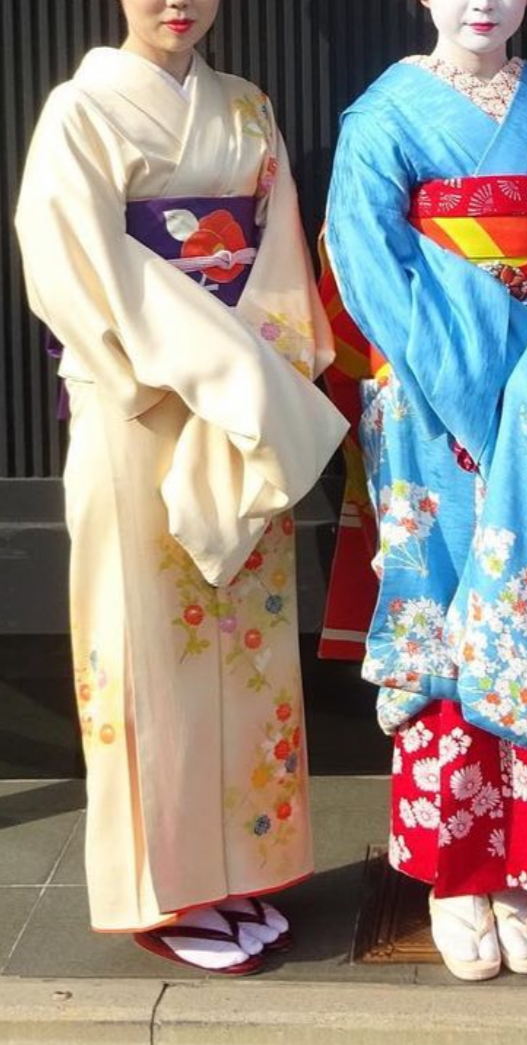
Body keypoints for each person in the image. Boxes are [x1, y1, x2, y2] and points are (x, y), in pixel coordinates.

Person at [323, 0, 527, 981]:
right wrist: (480, 390)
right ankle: (456, 873)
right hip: (433, 420)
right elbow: (367, 259)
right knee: (444, 610)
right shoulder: (381, 117)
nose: (481, 2)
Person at [16, 0, 347, 974]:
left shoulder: (246, 109)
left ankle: (238, 868)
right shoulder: (81, 111)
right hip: (144, 405)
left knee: (243, 652)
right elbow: (75, 265)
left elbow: (279, 259)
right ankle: (162, 889)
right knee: (145, 649)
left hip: (240, 412)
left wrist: (252, 375)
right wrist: (217, 365)